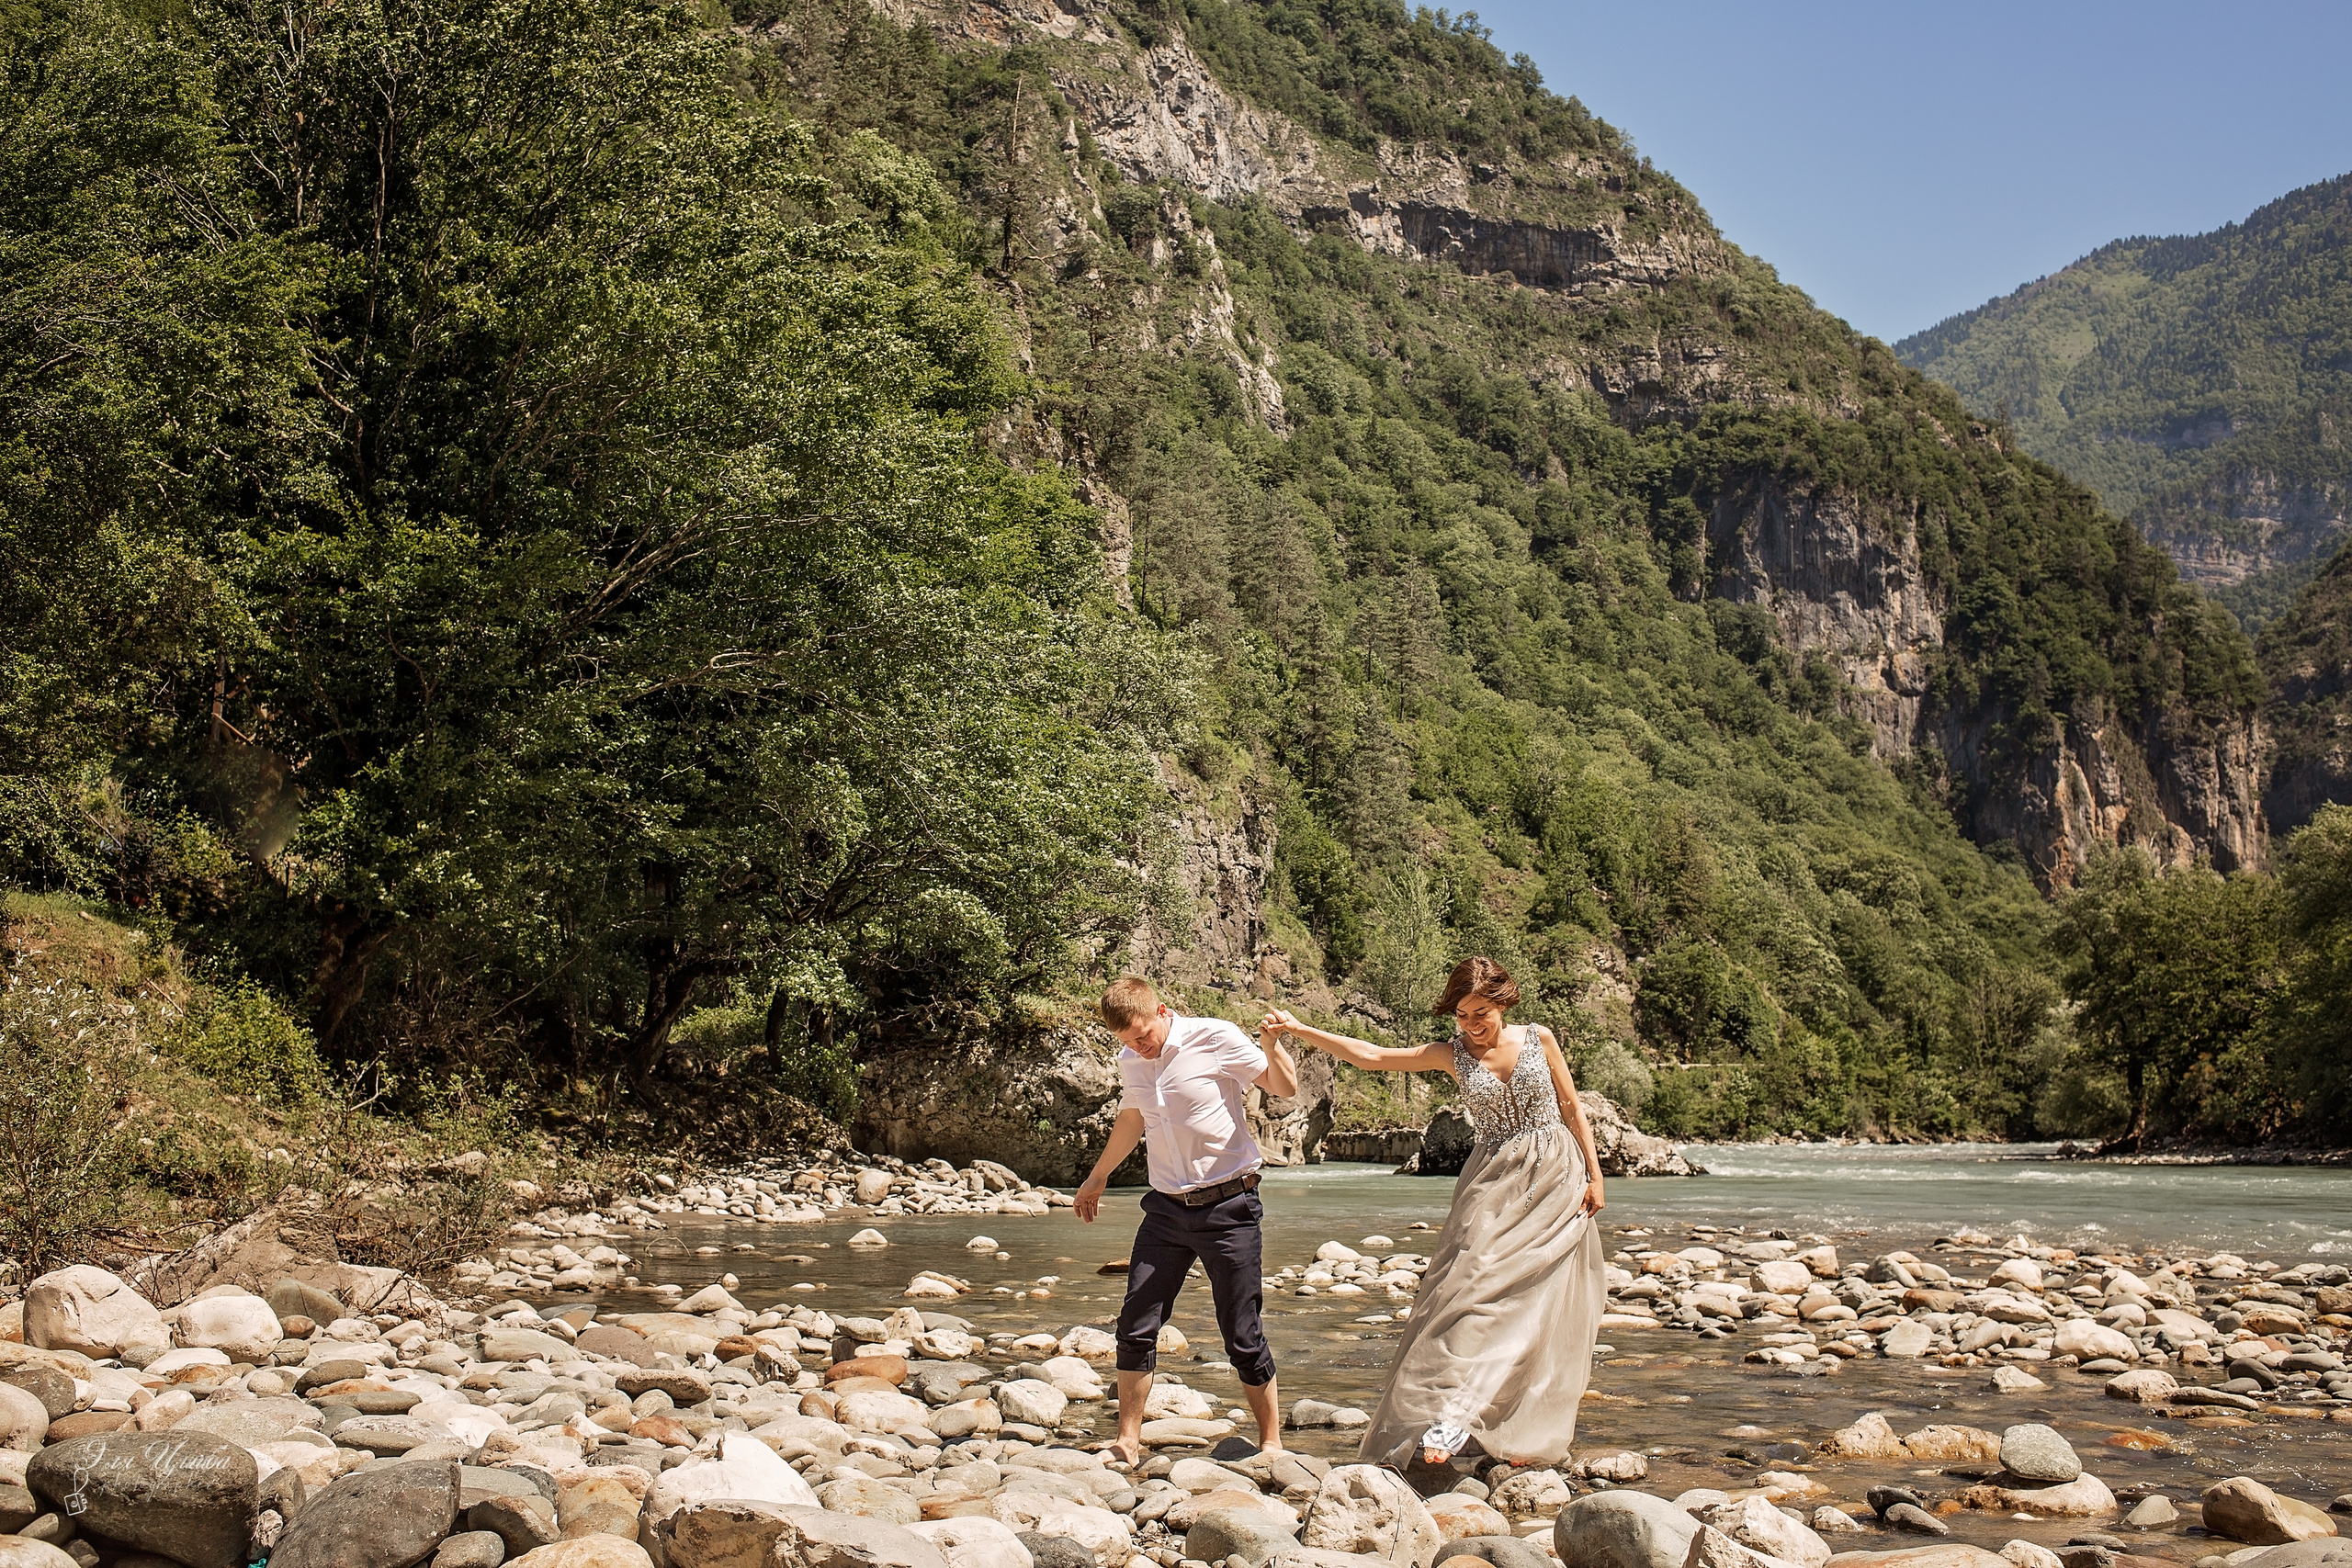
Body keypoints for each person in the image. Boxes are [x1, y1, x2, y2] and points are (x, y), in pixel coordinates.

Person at [1259, 954, 1606, 1471]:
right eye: (1462, 1015)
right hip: (1491, 1179)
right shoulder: (1451, 1054)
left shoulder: (1540, 1038)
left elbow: (1571, 1106)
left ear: (1504, 1002)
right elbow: (1371, 1056)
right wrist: (1300, 1029)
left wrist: (1595, 1174)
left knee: (1537, 1297)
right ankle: (1449, 1411)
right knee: (1468, 1291)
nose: (1471, 1025)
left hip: (1556, 1173)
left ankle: (1502, 1420)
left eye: (1480, 1013)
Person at [1075, 976, 1301, 1465]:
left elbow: (1284, 1086)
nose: (1138, 1046)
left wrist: (1270, 1044)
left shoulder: (1214, 1037)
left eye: (1142, 1035)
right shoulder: (1130, 1060)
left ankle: (1271, 1445)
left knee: (1242, 1332)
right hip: (1165, 1210)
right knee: (1135, 1323)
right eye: (1127, 1041)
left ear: (1161, 1011)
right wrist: (1098, 1178)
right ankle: (1128, 1442)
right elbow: (1132, 1120)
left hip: (1229, 1209)